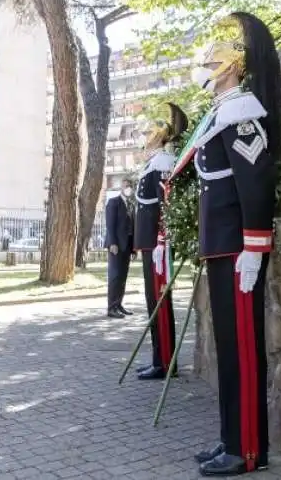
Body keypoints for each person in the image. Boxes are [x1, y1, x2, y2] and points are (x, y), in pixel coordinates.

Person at [186, 12, 281, 476]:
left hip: (238, 249)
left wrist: (254, 245)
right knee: (229, 349)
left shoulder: (242, 114)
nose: (205, 70)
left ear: (229, 69)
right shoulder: (224, 113)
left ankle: (246, 451)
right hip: (222, 248)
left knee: (243, 349)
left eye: (210, 64)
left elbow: (255, 184)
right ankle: (231, 437)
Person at [133, 103, 188, 380]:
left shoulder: (163, 163)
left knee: (160, 303)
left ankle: (166, 362)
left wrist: (161, 241)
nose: (144, 138)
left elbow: (166, 205)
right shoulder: (153, 162)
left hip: (157, 246)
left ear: (158, 136)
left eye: (147, 134)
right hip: (149, 244)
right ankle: (159, 358)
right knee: (152, 301)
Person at [105, 179, 135, 318]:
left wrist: (134, 248)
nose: (128, 188)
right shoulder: (114, 202)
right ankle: (111, 307)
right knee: (115, 276)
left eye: (130, 186)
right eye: (126, 186)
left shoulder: (131, 204)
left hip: (127, 245)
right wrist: (112, 243)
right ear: (121, 187)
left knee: (123, 276)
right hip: (116, 245)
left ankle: (118, 304)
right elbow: (110, 225)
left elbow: (132, 227)